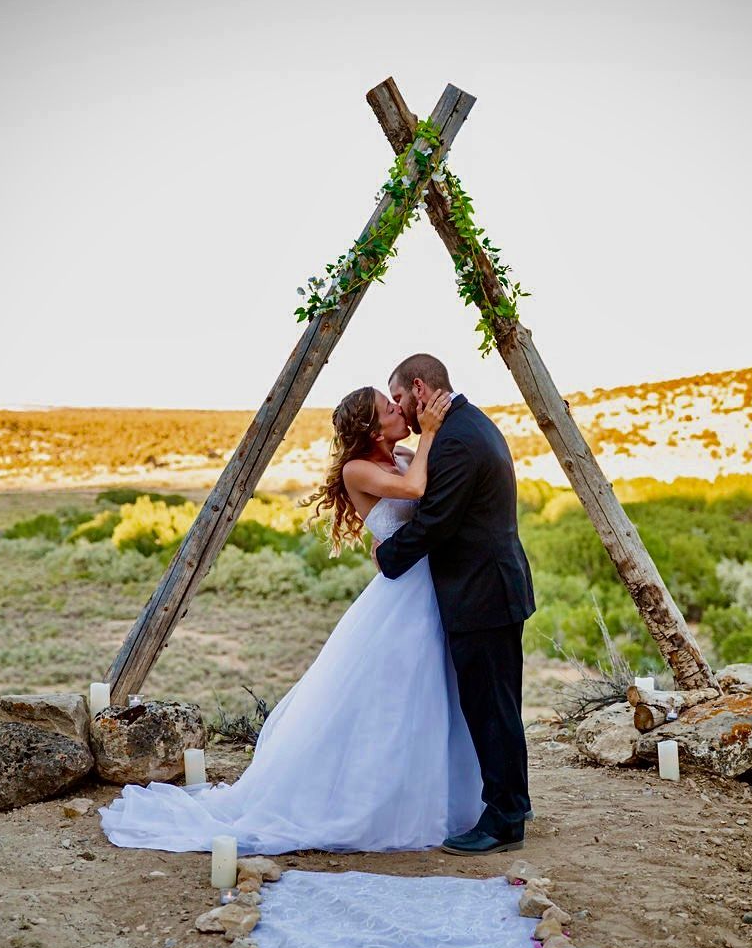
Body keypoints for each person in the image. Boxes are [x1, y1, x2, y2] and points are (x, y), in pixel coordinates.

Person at [99, 383, 486, 855]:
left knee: (431, 693)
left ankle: (443, 796)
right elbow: (414, 490)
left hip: (431, 584)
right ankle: (371, 804)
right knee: (394, 694)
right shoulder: (358, 469)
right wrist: (430, 433)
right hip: (402, 594)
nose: (398, 408)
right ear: (370, 426)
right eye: (388, 407)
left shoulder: (404, 453)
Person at [376, 354, 535, 856]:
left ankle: (505, 819)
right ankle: (516, 800)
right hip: (491, 586)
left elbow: (438, 521)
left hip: (482, 591)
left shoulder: (457, 440)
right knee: (499, 703)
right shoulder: (468, 423)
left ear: (419, 390)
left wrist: (388, 556)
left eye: (399, 397)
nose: (399, 407)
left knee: (490, 707)